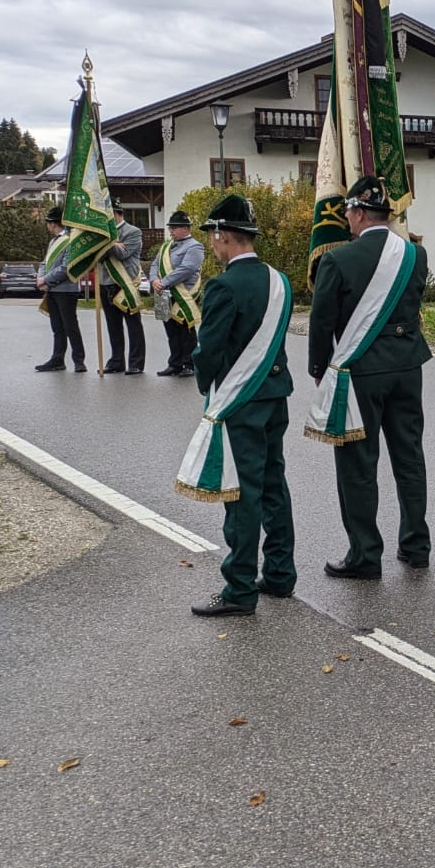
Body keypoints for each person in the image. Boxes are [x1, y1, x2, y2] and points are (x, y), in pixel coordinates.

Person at [307, 176, 432, 575]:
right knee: (409, 458)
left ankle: (365, 554)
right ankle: (416, 545)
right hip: (407, 367)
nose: (346, 220)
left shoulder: (336, 260)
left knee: (358, 464)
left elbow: (321, 321)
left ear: (359, 213)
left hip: (360, 370)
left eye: (348, 213)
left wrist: (319, 368)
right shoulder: (415, 255)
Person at [178, 194, 295, 617]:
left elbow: (209, 349)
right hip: (274, 394)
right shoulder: (279, 280)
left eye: (213, 235)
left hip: (240, 401)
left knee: (242, 493)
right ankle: (280, 573)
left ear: (223, 235)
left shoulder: (223, 286)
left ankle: (240, 589)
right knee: (273, 484)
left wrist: (205, 385)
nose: (213, 243)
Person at [149, 209, 204, 376]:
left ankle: (189, 364)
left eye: (174, 227)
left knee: (185, 330)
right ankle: (175, 363)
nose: (171, 231)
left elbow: (187, 269)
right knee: (171, 330)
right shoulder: (166, 246)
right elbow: (155, 265)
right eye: (170, 227)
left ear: (185, 228)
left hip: (184, 294)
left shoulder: (195, 246)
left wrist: (164, 282)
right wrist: (154, 280)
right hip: (166, 294)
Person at [34, 206, 85, 373]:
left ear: (53, 223)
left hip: (67, 290)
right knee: (57, 327)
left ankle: (79, 361)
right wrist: (40, 278)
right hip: (53, 290)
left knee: (71, 326)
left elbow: (66, 267)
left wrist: (45, 279)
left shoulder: (70, 241)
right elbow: (45, 262)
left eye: (48, 223)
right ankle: (57, 359)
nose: (47, 226)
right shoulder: (53, 241)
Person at [100, 198, 146, 374]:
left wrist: (108, 242)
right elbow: (97, 255)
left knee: (133, 325)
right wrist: (112, 243)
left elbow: (122, 254)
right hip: (105, 282)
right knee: (113, 325)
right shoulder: (102, 233)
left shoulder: (133, 232)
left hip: (125, 283)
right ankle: (116, 361)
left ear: (114, 214)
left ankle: (136, 363)